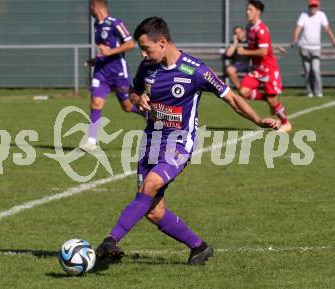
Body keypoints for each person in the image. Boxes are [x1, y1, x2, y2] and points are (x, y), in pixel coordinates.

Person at [95, 16, 280, 266]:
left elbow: (232, 98)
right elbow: (133, 91)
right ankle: (199, 247)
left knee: (149, 187)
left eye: (146, 48)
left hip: (179, 144)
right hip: (151, 141)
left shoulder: (196, 70)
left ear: (162, 42)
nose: (142, 53)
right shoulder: (147, 67)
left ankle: (110, 240)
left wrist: (258, 120)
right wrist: (138, 98)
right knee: (153, 210)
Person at [81, 0, 142, 152]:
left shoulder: (115, 23)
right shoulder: (97, 26)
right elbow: (104, 51)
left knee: (128, 106)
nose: (90, 10)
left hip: (118, 72)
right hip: (101, 72)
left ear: (95, 6)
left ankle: (150, 116)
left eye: (91, 7)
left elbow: (130, 44)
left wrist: (109, 52)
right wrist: (95, 60)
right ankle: (91, 141)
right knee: (96, 103)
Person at [237, 0, 292, 133]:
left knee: (273, 101)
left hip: (269, 70)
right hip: (257, 69)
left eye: (250, 9)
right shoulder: (249, 27)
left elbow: (264, 52)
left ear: (258, 12)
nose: (247, 12)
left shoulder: (262, 30)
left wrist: (244, 52)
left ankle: (286, 123)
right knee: (243, 91)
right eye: (247, 9)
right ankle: (269, 99)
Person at [292, 0, 335, 98]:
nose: (313, 8)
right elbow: (298, 29)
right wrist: (295, 40)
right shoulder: (303, 15)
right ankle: (309, 92)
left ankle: (319, 92)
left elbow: (327, 29)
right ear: (309, 6)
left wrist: (333, 41)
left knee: (316, 70)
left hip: (316, 48)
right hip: (304, 48)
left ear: (318, 6)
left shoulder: (321, 15)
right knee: (308, 71)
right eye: (311, 6)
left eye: (315, 6)